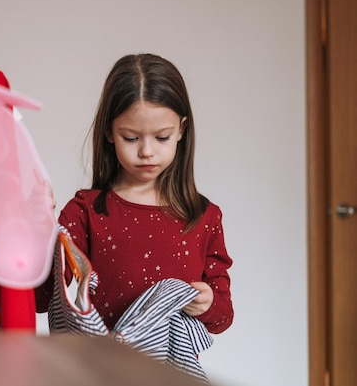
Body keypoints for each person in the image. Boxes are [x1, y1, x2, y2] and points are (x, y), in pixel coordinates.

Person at [35, 53, 233, 335]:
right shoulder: (84, 212)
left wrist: (209, 304)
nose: (147, 151)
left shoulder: (204, 217)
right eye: (131, 137)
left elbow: (223, 318)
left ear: (181, 130)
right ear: (109, 132)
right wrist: (39, 231)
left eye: (161, 137)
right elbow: (42, 300)